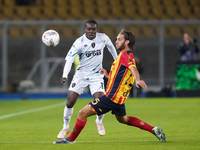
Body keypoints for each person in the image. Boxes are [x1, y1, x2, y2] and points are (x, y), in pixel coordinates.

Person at [54, 29, 166, 144]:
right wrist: (107, 75)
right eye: (116, 39)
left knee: (82, 113)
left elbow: (133, 68)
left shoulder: (125, 56)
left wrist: (137, 79)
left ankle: (70, 139)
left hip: (112, 97)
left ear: (127, 42)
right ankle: (153, 129)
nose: (116, 41)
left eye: (119, 39)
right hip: (119, 99)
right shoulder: (124, 56)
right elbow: (121, 76)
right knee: (124, 119)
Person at [57, 20, 118, 139]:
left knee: (100, 102)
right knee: (70, 102)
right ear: (85, 29)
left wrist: (116, 60)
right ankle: (65, 127)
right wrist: (65, 75)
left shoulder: (103, 38)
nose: (91, 32)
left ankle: (99, 121)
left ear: (96, 29)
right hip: (81, 75)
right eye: (89, 29)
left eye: (93, 29)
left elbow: (111, 47)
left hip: (96, 75)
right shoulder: (79, 42)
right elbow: (69, 60)